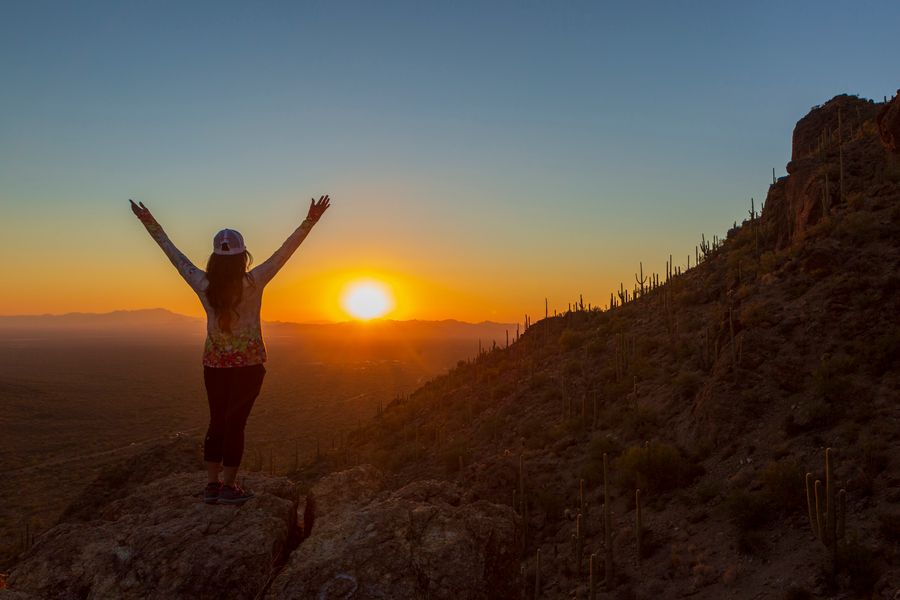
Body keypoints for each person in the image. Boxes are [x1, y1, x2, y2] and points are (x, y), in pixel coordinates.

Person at [130, 195, 330, 504]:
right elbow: (284, 253)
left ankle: (211, 484)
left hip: (214, 364)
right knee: (236, 425)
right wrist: (310, 220)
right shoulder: (254, 281)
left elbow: (174, 254)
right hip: (249, 365)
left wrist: (149, 222)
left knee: (217, 420)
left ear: (213, 257)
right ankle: (229, 487)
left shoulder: (202, 283)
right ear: (243, 256)